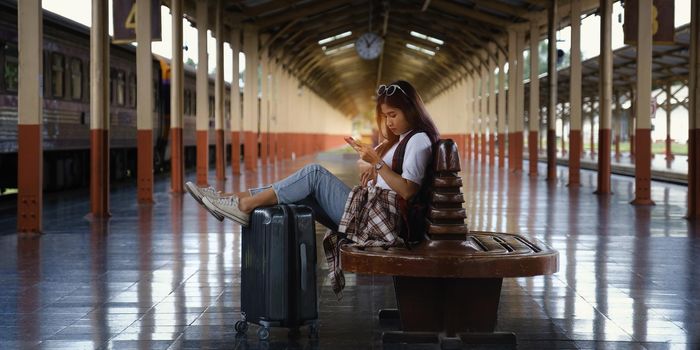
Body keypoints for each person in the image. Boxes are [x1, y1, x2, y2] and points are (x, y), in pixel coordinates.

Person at [185, 80, 440, 236]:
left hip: (382, 222)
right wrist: (376, 168)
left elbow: (408, 191)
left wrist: (377, 163)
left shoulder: (418, 140)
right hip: (374, 214)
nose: (389, 121)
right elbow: (394, 177)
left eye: (393, 114)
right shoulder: (407, 139)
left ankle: (242, 205)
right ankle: (230, 199)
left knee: (314, 174)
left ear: (410, 110)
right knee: (297, 191)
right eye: (385, 116)